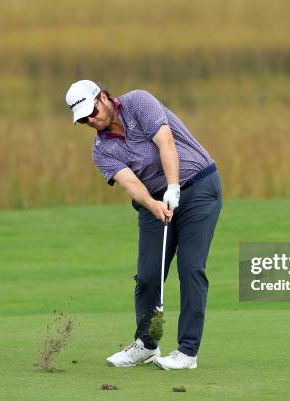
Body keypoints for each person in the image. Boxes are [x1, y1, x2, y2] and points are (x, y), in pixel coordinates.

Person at [65, 80, 222, 370]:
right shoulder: (101, 150)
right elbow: (129, 182)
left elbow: (166, 142)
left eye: (92, 111)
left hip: (198, 187)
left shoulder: (139, 102)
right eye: (84, 119)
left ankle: (187, 352)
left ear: (103, 96)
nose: (91, 120)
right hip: (153, 200)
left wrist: (173, 186)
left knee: (190, 268)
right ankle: (147, 344)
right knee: (148, 276)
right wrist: (154, 205)